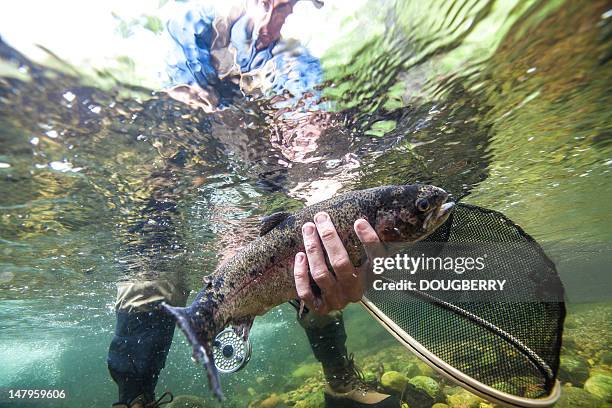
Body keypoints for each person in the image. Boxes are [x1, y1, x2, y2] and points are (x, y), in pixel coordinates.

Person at [107, 1, 400, 407]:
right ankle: (135, 400)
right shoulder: (188, 28)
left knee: (317, 256)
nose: (277, 17)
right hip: (181, 181)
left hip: (265, 181)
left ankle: (340, 383)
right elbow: (179, 115)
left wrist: (321, 183)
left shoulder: (295, 59)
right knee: (148, 282)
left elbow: (309, 126)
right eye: (269, 2)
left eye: (291, 5)